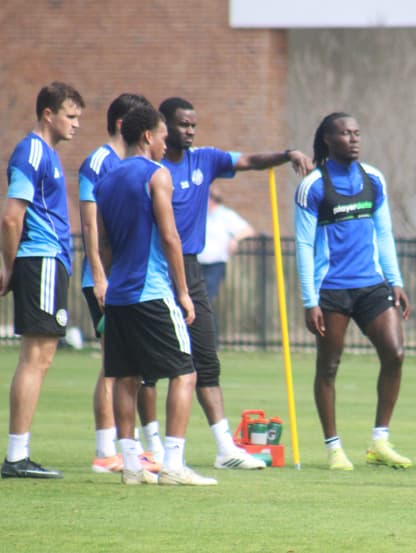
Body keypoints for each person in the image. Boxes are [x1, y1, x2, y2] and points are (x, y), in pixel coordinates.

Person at [140, 96, 313, 471]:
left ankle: (225, 447)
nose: (189, 131)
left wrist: (287, 154)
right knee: (149, 367)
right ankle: (151, 448)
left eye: (193, 125)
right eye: (183, 124)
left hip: (191, 269)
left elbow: (248, 161)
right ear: (164, 127)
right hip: (152, 269)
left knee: (205, 358)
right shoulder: (147, 168)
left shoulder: (205, 159)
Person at [96, 104, 215, 485]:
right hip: (153, 291)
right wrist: (183, 292)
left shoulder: (106, 180)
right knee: (186, 373)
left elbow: (104, 242)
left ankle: (131, 466)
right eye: (163, 136)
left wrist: (115, 282)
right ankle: (173, 465)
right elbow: (169, 236)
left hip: (119, 296)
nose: (166, 144)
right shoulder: (156, 175)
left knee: (125, 377)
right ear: (148, 135)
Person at [294, 112, 412, 471]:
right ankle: (334, 448)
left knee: (395, 352)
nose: (354, 139)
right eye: (346, 134)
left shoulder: (373, 179)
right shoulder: (312, 186)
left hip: (372, 285)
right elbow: (302, 244)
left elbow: (384, 234)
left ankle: (379, 441)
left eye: (357, 133)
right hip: (331, 290)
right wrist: (309, 299)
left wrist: (396, 280)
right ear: (329, 140)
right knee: (328, 367)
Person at [1, 82, 85, 479]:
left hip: (48, 261)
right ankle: (17, 457)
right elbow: (11, 215)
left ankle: (18, 454)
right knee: (37, 357)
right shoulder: (32, 150)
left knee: (39, 357)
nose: (76, 124)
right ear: (48, 114)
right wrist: (9, 266)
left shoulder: (46, 154)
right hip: (42, 259)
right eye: (70, 115)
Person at [78, 93, 161, 474]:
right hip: (109, 281)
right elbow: (92, 225)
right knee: (113, 366)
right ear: (124, 124)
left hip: (129, 280)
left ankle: (128, 447)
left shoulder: (131, 165)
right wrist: (99, 276)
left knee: (130, 367)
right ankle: (105, 449)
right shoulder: (100, 163)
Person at [197, 186, 256, 340]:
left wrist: (235, 239)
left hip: (215, 265)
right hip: (196, 264)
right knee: (196, 302)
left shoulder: (225, 215)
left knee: (205, 300)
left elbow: (248, 230)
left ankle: (211, 339)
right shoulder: (198, 214)